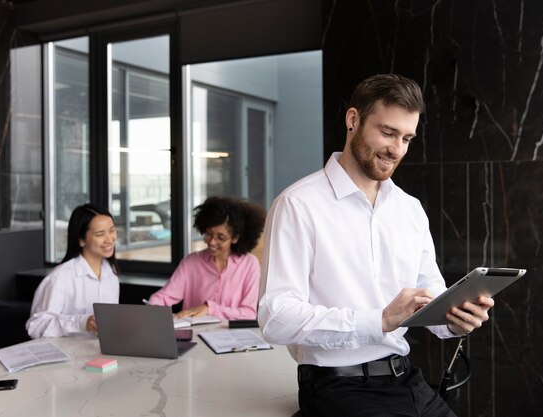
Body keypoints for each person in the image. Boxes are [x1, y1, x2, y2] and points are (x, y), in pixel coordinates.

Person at [258, 74, 495, 417]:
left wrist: (455, 320)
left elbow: (430, 296)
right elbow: (276, 317)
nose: (396, 149)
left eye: (407, 138)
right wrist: (379, 320)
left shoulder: (409, 209)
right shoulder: (298, 205)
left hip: (407, 381)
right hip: (335, 386)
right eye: (387, 132)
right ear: (353, 120)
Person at [148, 196, 265, 320]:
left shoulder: (249, 264)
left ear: (235, 238)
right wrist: (153, 306)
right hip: (194, 335)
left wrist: (209, 309)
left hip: (231, 337)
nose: (212, 242)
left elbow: (249, 313)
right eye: (209, 234)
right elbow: (164, 296)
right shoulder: (191, 262)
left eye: (221, 237)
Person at [26, 203, 119, 339]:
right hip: (68, 356)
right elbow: (36, 326)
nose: (109, 239)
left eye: (112, 230)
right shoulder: (60, 278)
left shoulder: (111, 274)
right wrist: (82, 323)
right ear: (81, 240)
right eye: (100, 234)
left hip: (101, 354)